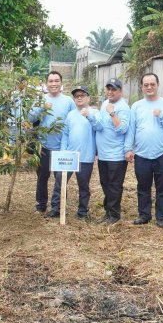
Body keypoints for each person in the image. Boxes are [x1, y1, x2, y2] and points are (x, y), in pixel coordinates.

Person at [127, 73, 163, 228]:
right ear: (141, 86)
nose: (149, 87)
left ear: (158, 85)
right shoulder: (136, 106)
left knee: (162, 187)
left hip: (162, 153)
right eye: (146, 85)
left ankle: (161, 217)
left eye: (152, 84)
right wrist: (128, 149)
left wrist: (162, 116)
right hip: (142, 153)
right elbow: (131, 130)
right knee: (143, 187)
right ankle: (144, 215)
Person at [29, 71, 74, 216]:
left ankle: (57, 207)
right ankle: (41, 205)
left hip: (62, 148)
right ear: (46, 83)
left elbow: (73, 120)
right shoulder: (40, 99)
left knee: (61, 179)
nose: (53, 84)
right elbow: (30, 118)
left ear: (61, 83)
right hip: (44, 147)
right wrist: (42, 107)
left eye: (56, 81)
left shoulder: (68, 101)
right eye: (51, 81)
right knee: (42, 177)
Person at [60, 86, 102, 220]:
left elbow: (99, 127)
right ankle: (58, 208)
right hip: (70, 156)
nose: (79, 97)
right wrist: (63, 151)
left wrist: (88, 115)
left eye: (82, 95)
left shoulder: (94, 112)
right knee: (60, 182)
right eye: (76, 96)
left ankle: (82, 211)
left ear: (88, 98)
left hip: (85, 157)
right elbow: (65, 134)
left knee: (83, 185)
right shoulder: (71, 114)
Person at [95, 78, 131, 224]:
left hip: (116, 155)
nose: (110, 92)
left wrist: (112, 113)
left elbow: (123, 129)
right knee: (105, 184)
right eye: (108, 89)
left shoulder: (123, 107)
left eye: (114, 89)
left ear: (120, 91)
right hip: (103, 154)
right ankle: (108, 211)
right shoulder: (105, 103)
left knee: (114, 186)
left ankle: (114, 215)